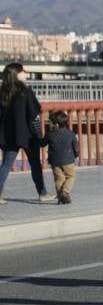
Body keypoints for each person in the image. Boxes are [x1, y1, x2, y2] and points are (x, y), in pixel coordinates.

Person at [0, 62, 54, 204]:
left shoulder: (3, 92)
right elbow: (34, 116)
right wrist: (39, 135)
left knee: (5, 166)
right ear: (16, 74)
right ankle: (42, 194)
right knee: (35, 164)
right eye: (23, 71)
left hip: (9, 136)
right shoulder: (26, 91)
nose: (25, 73)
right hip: (28, 136)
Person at [44, 110, 79, 204]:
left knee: (59, 179)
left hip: (55, 161)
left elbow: (42, 144)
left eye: (50, 122)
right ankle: (65, 192)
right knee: (71, 176)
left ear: (56, 124)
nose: (49, 124)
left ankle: (60, 198)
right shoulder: (70, 133)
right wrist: (76, 155)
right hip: (68, 160)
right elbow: (76, 146)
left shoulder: (49, 134)